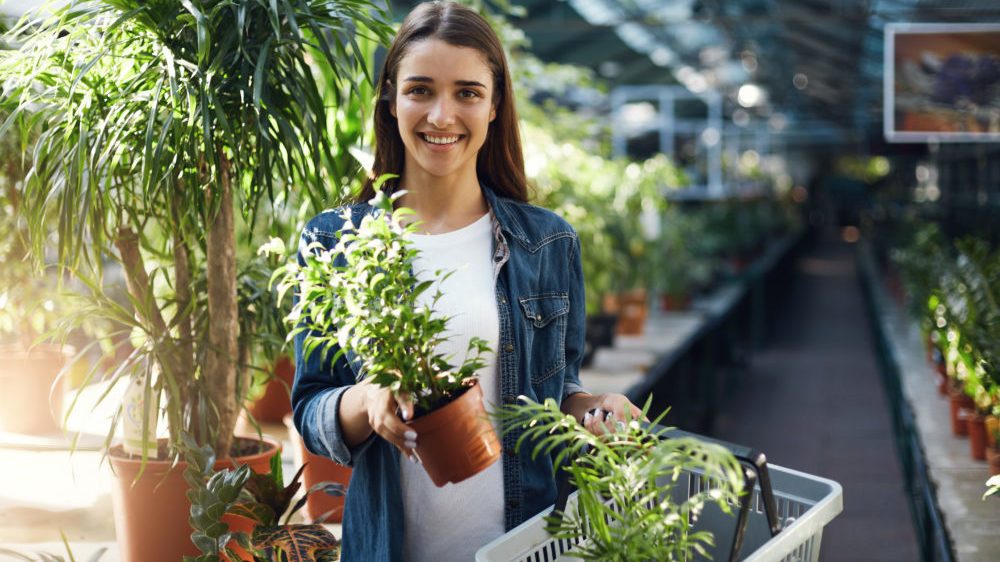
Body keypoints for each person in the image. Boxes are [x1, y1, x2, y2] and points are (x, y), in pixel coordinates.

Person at [291, 2, 641, 560]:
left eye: (468, 93)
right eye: (421, 90)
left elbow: (560, 392)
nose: (441, 115)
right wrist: (368, 398)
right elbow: (310, 411)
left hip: (521, 545)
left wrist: (599, 407)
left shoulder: (547, 242)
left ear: (496, 105)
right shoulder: (336, 242)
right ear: (391, 97)